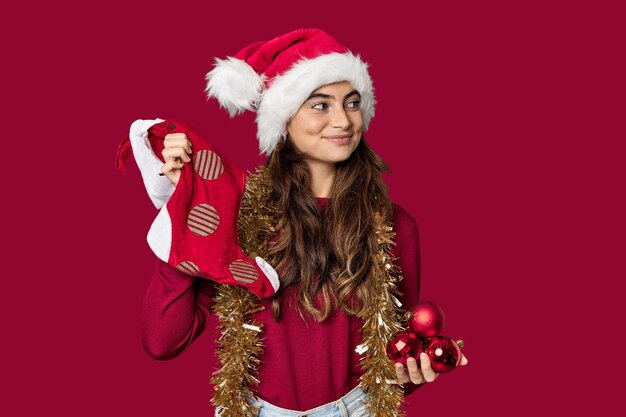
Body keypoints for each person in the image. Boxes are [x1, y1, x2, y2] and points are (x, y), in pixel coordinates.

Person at [134, 28, 467, 417]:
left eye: (352, 102)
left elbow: (390, 363)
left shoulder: (394, 225)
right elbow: (163, 342)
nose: (343, 120)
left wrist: (416, 368)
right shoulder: (243, 212)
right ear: (284, 119)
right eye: (320, 105)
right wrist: (186, 209)